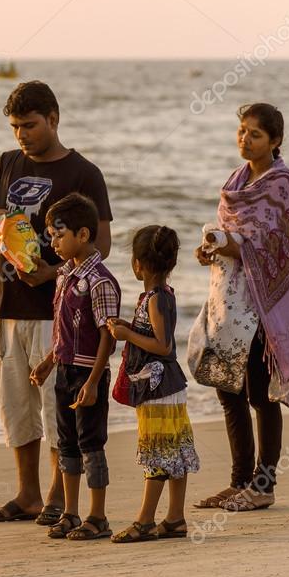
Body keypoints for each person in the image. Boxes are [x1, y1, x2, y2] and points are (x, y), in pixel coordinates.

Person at [0, 81, 113, 524]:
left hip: (59, 310)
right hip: (6, 306)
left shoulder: (84, 173)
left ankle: (55, 496)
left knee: (55, 405)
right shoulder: (7, 164)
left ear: (54, 119)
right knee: (16, 407)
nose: (21, 135)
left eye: (29, 125)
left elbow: (101, 244)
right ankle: (26, 494)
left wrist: (55, 273)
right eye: (14, 127)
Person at [190, 103, 289, 512]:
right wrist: (211, 251)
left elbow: (284, 242)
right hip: (231, 299)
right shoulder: (237, 179)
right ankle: (239, 482)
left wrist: (232, 246)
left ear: (276, 141)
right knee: (227, 388)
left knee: (260, 394)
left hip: (268, 302)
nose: (245, 139)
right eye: (242, 131)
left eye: (255, 134)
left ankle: (263, 486)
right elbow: (235, 236)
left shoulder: (284, 184)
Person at [30, 194, 119, 540]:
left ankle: (97, 516)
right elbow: (62, 329)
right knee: (66, 442)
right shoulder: (65, 275)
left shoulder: (99, 281)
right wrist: (48, 362)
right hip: (65, 370)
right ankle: (70, 511)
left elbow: (106, 338)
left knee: (91, 444)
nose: (53, 242)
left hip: (87, 373)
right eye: (51, 235)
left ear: (83, 235)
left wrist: (94, 381)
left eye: (59, 235)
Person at [107, 226, 200, 542]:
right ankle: (174, 518)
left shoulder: (155, 300)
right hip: (167, 387)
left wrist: (126, 335)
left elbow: (164, 346)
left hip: (157, 386)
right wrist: (129, 326)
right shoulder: (160, 296)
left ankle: (145, 521)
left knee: (158, 453)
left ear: (138, 264)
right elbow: (154, 335)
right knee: (173, 450)